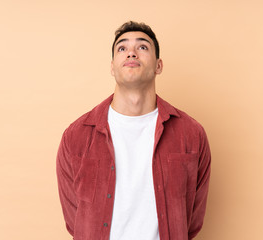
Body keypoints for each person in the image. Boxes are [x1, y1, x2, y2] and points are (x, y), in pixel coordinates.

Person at [56, 21, 211, 240]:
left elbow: (191, 220)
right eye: (122, 48)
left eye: (142, 47)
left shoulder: (191, 134)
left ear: (158, 65)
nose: (131, 53)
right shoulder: (76, 136)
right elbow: (75, 220)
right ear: (112, 66)